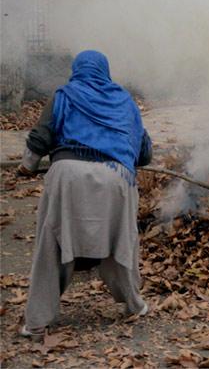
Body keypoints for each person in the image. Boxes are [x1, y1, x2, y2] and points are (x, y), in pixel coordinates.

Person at [17, 50, 152, 338]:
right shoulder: (125, 102)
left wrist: (27, 167)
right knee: (122, 241)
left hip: (67, 175)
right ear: (106, 71)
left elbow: (40, 138)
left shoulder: (64, 95)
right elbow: (144, 153)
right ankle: (134, 304)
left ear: (76, 70)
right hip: (117, 178)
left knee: (51, 244)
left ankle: (36, 322)